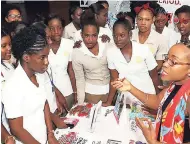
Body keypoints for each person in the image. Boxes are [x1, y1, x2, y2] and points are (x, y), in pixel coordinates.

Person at [112, 43, 190, 143]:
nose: (165, 64)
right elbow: (157, 101)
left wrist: (153, 142)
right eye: (167, 58)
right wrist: (130, 88)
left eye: (173, 62)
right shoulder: (175, 84)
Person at [2, 26, 59, 144]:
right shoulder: (12, 86)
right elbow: (17, 129)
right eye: (42, 57)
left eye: (47, 56)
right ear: (26, 57)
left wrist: (50, 133)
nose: (46, 62)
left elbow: (44, 103)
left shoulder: (39, 75)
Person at [103, 17, 159, 106]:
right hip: (127, 99)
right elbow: (114, 79)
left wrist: (158, 99)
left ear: (130, 34)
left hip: (147, 97)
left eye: (122, 35)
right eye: (115, 36)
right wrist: (109, 102)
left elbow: (155, 77)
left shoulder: (143, 50)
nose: (118, 39)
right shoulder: (111, 53)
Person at [72, 18, 110, 104]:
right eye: (86, 35)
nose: (90, 39)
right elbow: (80, 79)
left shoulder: (106, 44)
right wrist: (80, 103)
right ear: (81, 35)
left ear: (98, 34)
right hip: (91, 95)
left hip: (110, 93)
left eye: (94, 35)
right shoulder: (77, 52)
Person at [45, 14, 77, 110]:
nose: (56, 32)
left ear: (63, 28)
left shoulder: (69, 44)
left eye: (59, 28)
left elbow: (71, 70)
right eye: (52, 28)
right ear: (47, 30)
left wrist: (75, 92)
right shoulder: (43, 47)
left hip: (67, 91)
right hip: (50, 94)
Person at [132, 2, 168, 71]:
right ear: (136, 19)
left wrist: (143, 74)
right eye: (140, 19)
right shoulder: (130, 35)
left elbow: (159, 64)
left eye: (147, 19)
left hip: (150, 78)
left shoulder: (161, 39)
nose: (143, 23)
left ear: (153, 19)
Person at [1, 28, 16, 144]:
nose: (9, 48)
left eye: (10, 44)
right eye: (3, 46)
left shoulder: (8, 66)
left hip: (16, 125)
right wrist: (6, 136)